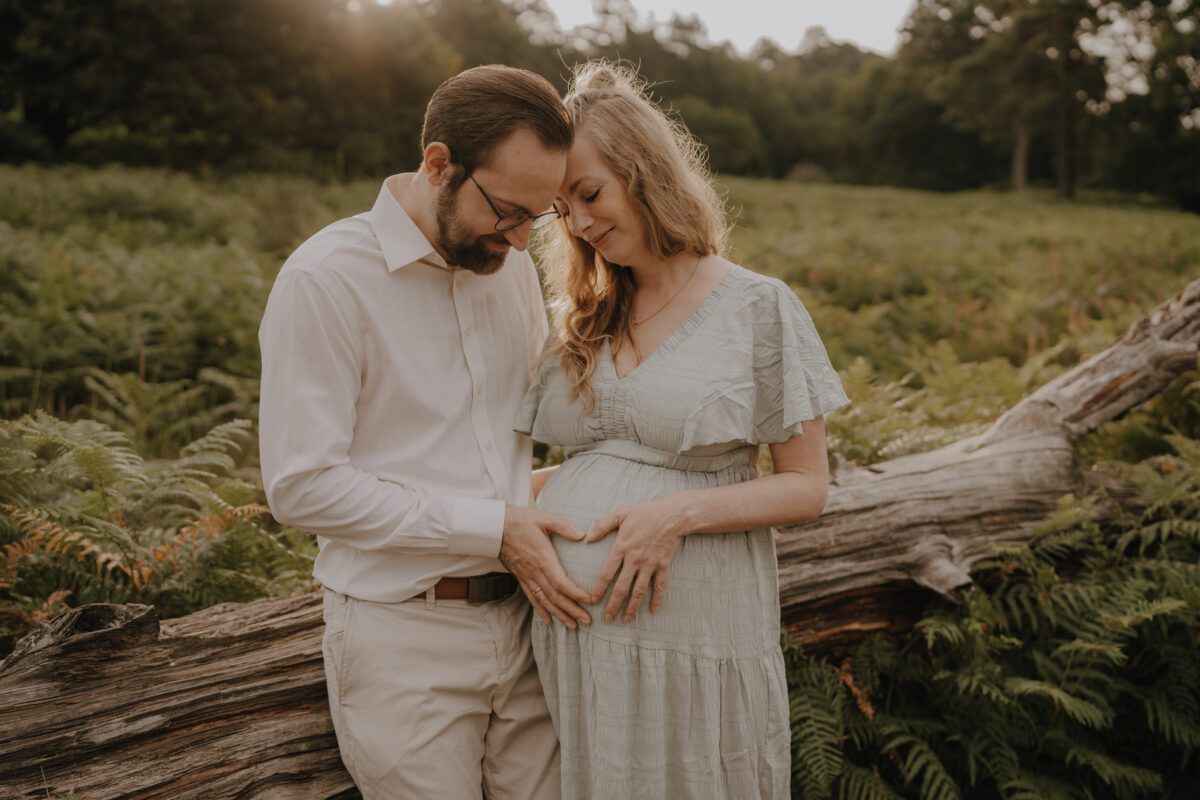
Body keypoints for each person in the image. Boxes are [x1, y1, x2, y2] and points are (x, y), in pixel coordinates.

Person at [258, 65, 595, 800]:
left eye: (536, 218)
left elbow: (514, 440)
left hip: (529, 626)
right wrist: (493, 526)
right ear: (438, 162)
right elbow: (301, 486)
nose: (516, 238)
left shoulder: (504, 267)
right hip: (402, 643)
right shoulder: (325, 280)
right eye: (506, 210)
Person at [516, 61, 850, 799]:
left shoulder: (758, 307)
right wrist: (500, 511)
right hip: (578, 652)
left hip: (696, 640)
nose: (579, 224)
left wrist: (675, 515)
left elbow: (807, 486)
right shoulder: (582, 317)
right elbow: (583, 471)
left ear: (643, 171)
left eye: (590, 193)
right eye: (561, 209)